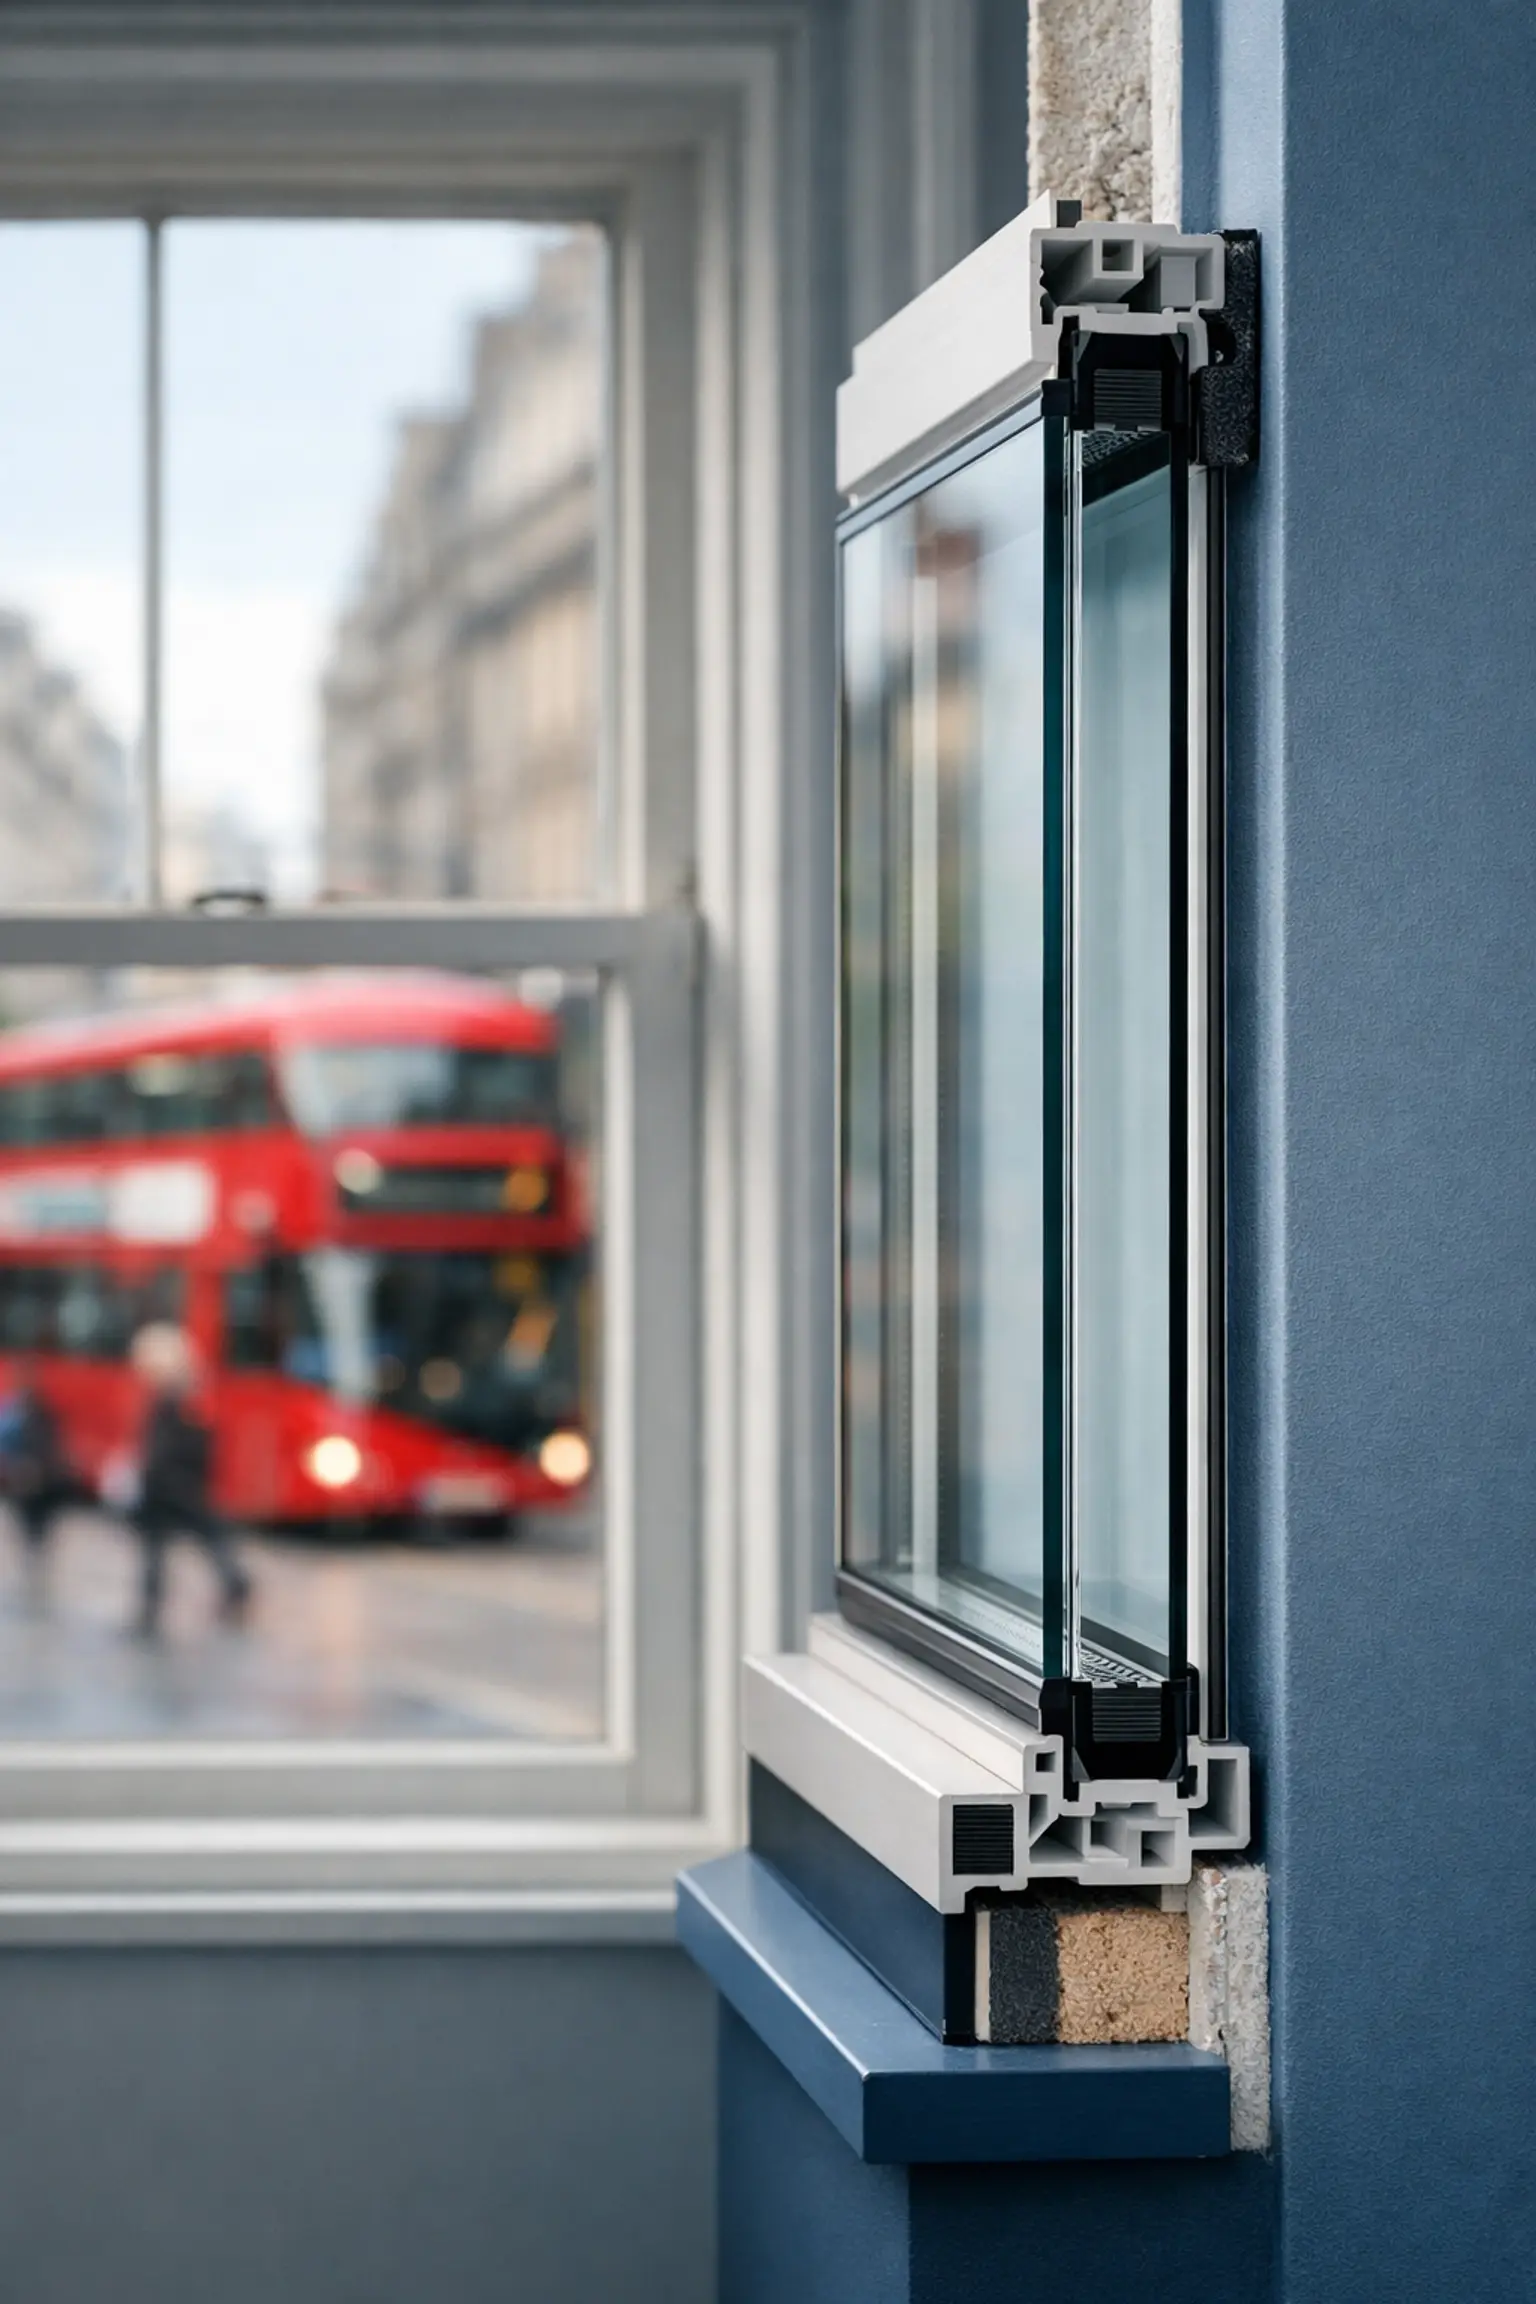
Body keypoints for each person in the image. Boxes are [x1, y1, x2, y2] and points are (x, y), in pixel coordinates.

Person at [127, 1322, 251, 1638]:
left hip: (177, 1487)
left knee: (203, 1538)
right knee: (160, 1550)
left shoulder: (185, 1400)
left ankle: (236, 1584)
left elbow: (183, 1446)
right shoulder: (179, 1397)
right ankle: (150, 1607)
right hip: (169, 1488)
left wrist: (154, 1472)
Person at [0, 1361, 72, 1563]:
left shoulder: (34, 1411)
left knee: (34, 1521)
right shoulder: (15, 1410)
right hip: (28, 1476)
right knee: (31, 1521)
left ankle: (33, 1550)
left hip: (36, 1476)